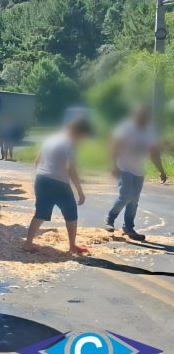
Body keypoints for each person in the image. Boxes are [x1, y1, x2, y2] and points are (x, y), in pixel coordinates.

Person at [23, 116, 93, 254]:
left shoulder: (51, 139)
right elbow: (70, 169)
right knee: (71, 213)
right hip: (58, 183)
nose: (82, 139)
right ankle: (72, 246)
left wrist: (40, 176)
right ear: (79, 132)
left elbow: (37, 159)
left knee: (41, 213)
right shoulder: (70, 144)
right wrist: (80, 191)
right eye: (83, 135)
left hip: (42, 178)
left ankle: (28, 243)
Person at [104, 105, 167, 240]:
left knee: (134, 201)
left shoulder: (149, 131)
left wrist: (161, 170)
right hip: (124, 167)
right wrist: (113, 165)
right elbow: (114, 145)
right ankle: (110, 218)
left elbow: (153, 152)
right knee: (126, 196)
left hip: (139, 170)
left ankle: (128, 227)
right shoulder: (126, 128)